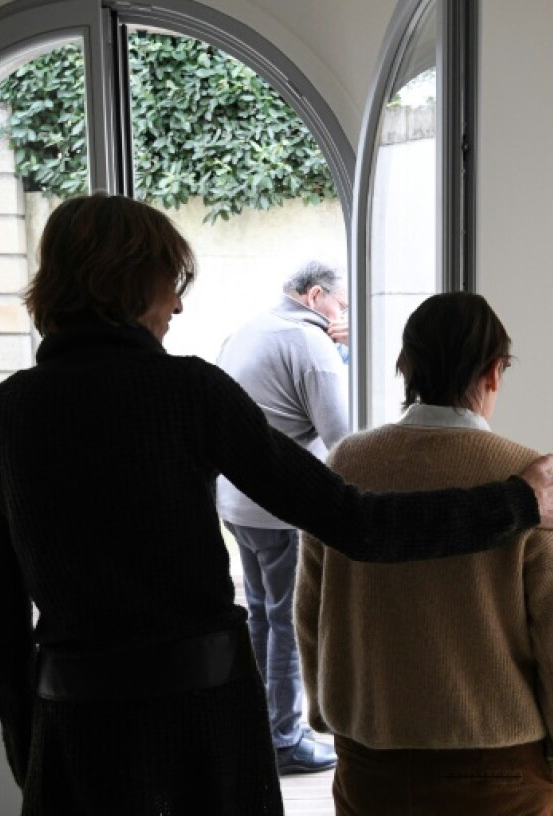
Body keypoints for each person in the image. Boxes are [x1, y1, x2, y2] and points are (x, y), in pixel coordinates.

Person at [0, 194, 553, 816]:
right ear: (126, 281)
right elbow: (357, 524)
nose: (177, 304)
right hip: (203, 728)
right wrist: (516, 502)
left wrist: (32, 753)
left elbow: (0, 621)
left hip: (75, 729)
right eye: (168, 283)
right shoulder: (189, 392)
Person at [296, 292, 553, 816]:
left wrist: (327, 712)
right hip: (500, 765)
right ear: (494, 372)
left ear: (405, 367)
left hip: (371, 753)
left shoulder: (346, 463)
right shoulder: (530, 481)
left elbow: (310, 609)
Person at [214, 260, 350, 773]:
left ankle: (259, 727)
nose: (341, 314)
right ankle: (285, 740)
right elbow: (342, 439)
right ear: (316, 296)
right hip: (282, 510)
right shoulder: (310, 346)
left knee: (263, 617)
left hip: (238, 503)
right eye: (339, 303)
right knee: (290, 623)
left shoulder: (249, 330)